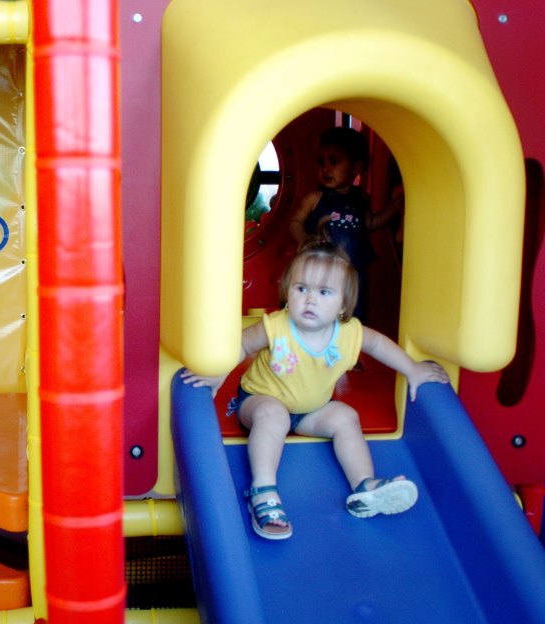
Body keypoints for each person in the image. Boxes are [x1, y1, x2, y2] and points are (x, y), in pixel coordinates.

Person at [180, 242, 449, 540]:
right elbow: (241, 345)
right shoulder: (276, 326)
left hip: (310, 412)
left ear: (343, 305)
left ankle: (365, 486)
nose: (310, 300)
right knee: (274, 415)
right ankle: (263, 491)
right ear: (287, 292)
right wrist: (217, 373)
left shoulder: (349, 334)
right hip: (258, 402)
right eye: (301, 289)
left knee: (345, 417)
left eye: (324, 293)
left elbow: (377, 345)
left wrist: (411, 368)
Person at [287, 126, 403, 321]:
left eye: (334, 162)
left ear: (356, 168)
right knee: (320, 311)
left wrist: (396, 206)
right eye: (321, 162)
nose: (325, 168)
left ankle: (350, 344)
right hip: (322, 269)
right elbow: (295, 221)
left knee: (354, 313)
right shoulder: (315, 198)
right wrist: (305, 239)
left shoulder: (360, 199)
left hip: (353, 271)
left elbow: (371, 223)